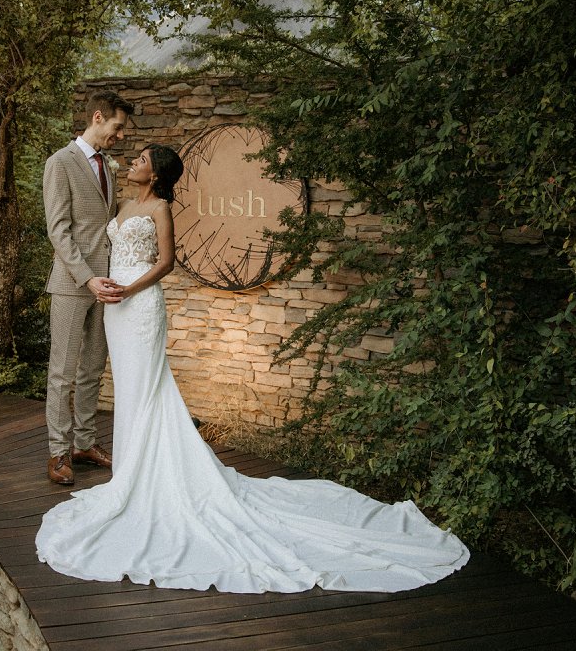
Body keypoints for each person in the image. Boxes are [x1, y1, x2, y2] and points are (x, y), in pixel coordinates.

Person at [36, 144, 471, 594]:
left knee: (147, 388)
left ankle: (147, 477)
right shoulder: (123, 205)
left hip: (140, 304)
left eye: (142, 160)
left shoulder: (161, 209)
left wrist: (129, 290)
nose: (134, 163)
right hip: (114, 308)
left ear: (157, 174)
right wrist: (102, 285)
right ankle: (130, 473)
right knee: (128, 389)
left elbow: (165, 262)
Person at [42, 90, 133, 486]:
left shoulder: (107, 167)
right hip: (72, 283)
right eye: (117, 127)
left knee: (93, 368)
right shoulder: (60, 163)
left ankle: (83, 443)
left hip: (106, 284)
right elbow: (58, 231)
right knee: (62, 372)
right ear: (98, 117)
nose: (121, 135)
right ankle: (58, 451)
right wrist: (87, 277)